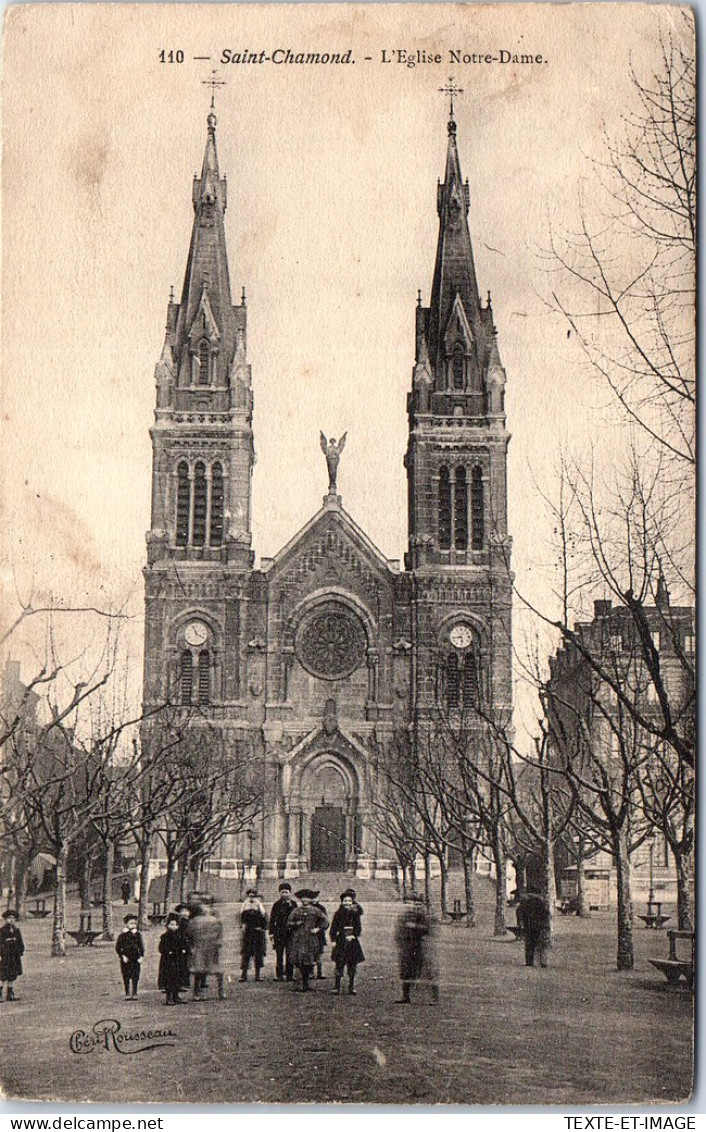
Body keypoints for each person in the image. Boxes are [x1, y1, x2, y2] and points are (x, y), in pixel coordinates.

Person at [395, 894, 439, 1005]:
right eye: (410, 904)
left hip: (423, 948)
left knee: (428, 973)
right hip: (407, 947)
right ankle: (406, 997)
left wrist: (415, 926)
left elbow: (431, 930)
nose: (414, 906)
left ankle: (434, 998)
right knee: (406, 972)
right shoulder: (404, 916)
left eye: (418, 904)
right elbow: (398, 932)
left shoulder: (425, 916)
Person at [287, 889, 328, 992]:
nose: (305, 899)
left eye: (307, 897)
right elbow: (289, 922)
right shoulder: (296, 910)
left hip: (310, 938)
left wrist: (318, 929)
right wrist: (296, 924)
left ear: (311, 899)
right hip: (299, 938)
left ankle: (307, 983)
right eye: (303, 897)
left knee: (309, 961)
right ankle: (300, 984)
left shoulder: (315, 910)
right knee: (299, 960)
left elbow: (326, 921)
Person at [189, 902, 226, 1000]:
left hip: (201, 948)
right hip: (211, 948)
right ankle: (221, 992)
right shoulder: (216, 921)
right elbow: (220, 936)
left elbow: (189, 935)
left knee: (199, 971)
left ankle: (197, 994)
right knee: (217, 971)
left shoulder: (193, 921)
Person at [329, 891, 364, 995]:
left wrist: (354, 935)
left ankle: (351, 986)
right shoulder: (338, 914)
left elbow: (358, 928)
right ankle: (337, 986)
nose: (347, 903)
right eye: (345, 901)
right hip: (341, 940)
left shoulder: (355, 914)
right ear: (342, 902)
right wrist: (333, 940)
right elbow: (333, 928)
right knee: (339, 964)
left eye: (349, 901)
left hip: (352, 942)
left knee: (352, 965)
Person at [268, 883, 297, 982]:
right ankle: (279, 975)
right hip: (279, 933)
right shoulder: (276, 905)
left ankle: (290, 975)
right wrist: (271, 933)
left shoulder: (293, 904)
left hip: (290, 933)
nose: (284, 894)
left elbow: (296, 917)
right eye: (282, 892)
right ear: (279, 893)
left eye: (286, 892)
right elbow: (272, 919)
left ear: (290, 893)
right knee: (279, 954)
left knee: (290, 955)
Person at [115, 913, 145, 1000]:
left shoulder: (138, 935)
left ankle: (134, 992)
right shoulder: (122, 935)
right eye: (131, 923)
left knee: (135, 975)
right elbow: (118, 947)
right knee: (126, 976)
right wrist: (122, 956)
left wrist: (141, 956)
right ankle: (127, 992)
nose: (133, 925)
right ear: (126, 924)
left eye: (135, 923)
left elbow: (141, 946)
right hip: (126, 958)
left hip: (135, 958)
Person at [240, 889, 267, 982]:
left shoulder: (260, 907)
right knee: (246, 954)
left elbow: (265, 920)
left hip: (258, 934)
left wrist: (261, 928)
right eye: (250, 896)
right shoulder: (245, 907)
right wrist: (243, 928)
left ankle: (257, 975)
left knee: (258, 954)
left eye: (253, 896)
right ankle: (243, 975)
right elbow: (242, 920)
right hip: (248, 934)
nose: (251, 898)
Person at [519, 889, 550, 968]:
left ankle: (530, 961)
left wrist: (522, 922)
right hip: (539, 925)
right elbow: (546, 914)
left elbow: (521, 913)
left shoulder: (525, 903)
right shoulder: (541, 903)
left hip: (529, 926)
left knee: (529, 944)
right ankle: (542, 961)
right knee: (541, 944)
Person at [158, 913, 184, 1005]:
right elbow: (161, 948)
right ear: (167, 925)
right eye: (172, 924)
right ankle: (169, 997)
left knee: (178, 977)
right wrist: (167, 951)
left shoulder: (180, 936)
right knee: (169, 978)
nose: (174, 926)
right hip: (168, 961)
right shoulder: (165, 936)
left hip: (177, 960)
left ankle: (176, 996)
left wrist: (184, 950)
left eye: (176, 925)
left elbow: (183, 945)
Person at [0, 909, 25, 1001]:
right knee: (3, 975)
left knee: (12, 975)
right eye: (9, 918)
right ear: (5, 919)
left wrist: (21, 951)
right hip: (5, 956)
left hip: (14, 956)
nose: (11, 920)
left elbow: (20, 942)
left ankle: (10, 994)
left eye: (13, 918)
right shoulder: (2, 931)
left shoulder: (16, 931)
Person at [175, 904, 192, 992]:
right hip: (182, 945)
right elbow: (181, 935)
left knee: (187, 964)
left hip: (188, 944)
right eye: (182, 911)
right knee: (183, 964)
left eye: (186, 911)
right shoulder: (180, 922)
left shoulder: (189, 921)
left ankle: (185, 982)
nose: (185, 913)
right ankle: (182, 983)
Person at [313, 895, 329, 978]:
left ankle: (320, 972)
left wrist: (319, 928)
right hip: (309, 934)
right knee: (310, 954)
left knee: (319, 954)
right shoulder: (306, 908)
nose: (313, 900)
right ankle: (310, 973)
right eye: (311, 898)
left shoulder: (322, 908)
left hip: (319, 935)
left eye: (315, 897)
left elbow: (326, 921)